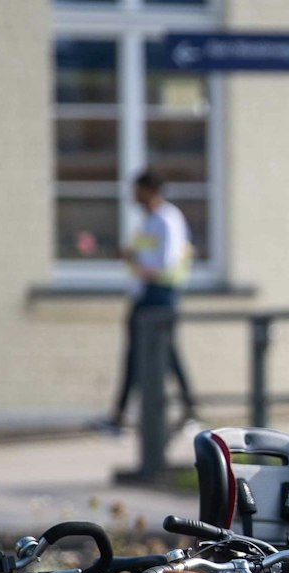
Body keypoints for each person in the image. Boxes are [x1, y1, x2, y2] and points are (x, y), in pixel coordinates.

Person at [98, 169, 197, 433]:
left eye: (137, 190)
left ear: (150, 190)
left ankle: (185, 409)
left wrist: (133, 259)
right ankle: (124, 413)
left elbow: (165, 262)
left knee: (162, 354)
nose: (133, 196)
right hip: (145, 294)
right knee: (144, 355)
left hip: (161, 294)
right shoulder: (148, 221)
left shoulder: (167, 220)